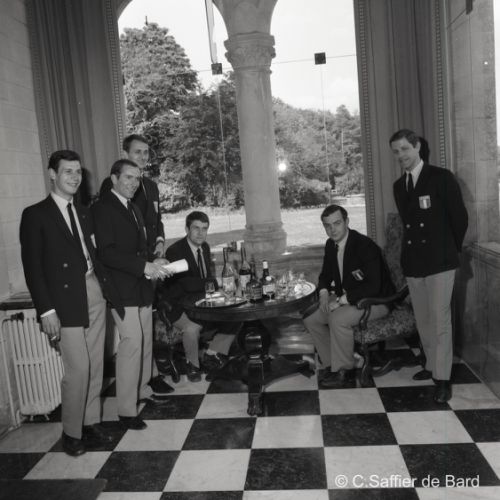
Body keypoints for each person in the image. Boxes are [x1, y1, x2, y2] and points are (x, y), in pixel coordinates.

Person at [20, 150, 114, 456]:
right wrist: (46, 310)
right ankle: (71, 433)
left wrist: (104, 288)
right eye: (67, 171)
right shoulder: (36, 214)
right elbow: (33, 267)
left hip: (93, 290)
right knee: (79, 368)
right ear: (52, 174)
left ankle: (90, 423)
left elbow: (93, 253)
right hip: (63, 300)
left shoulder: (84, 212)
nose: (74, 177)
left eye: (77, 172)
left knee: (96, 364)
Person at [92, 159, 172, 430]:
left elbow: (139, 249)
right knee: (132, 345)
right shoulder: (102, 208)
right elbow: (106, 253)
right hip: (121, 289)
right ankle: (126, 411)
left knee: (146, 342)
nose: (134, 183)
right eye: (128, 177)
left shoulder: (134, 208)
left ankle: (142, 392)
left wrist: (153, 260)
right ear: (114, 179)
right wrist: (143, 266)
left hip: (141, 287)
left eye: (137, 178)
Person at [391, 129, 468, 403]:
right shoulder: (399, 186)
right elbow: (409, 225)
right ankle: (432, 365)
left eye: (404, 149)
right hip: (414, 262)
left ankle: (443, 379)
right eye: (396, 152)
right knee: (423, 320)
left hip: (440, 261)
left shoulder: (441, 177)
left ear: (418, 147)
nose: (401, 155)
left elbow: (459, 219)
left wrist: (447, 250)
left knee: (440, 320)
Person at [303, 204, 395, 389]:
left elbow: (374, 286)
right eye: (327, 225)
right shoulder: (331, 245)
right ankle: (331, 365)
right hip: (348, 299)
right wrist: (323, 293)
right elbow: (325, 276)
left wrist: (341, 301)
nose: (332, 230)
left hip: (376, 301)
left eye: (337, 223)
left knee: (337, 318)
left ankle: (344, 372)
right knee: (311, 319)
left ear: (347, 222)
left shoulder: (365, 246)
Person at [160, 211, 233, 381]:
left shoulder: (204, 247)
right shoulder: (174, 251)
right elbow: (186, 283)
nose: (201, 233)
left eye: (204, 229)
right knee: (192, 329)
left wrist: (216, 293)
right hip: (176, 306)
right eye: (196, 228)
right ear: (187, 229)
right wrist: (215, 283)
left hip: (201, 302)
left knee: (234, 315)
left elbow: (203, 278)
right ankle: (192, 365)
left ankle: (212, 353)